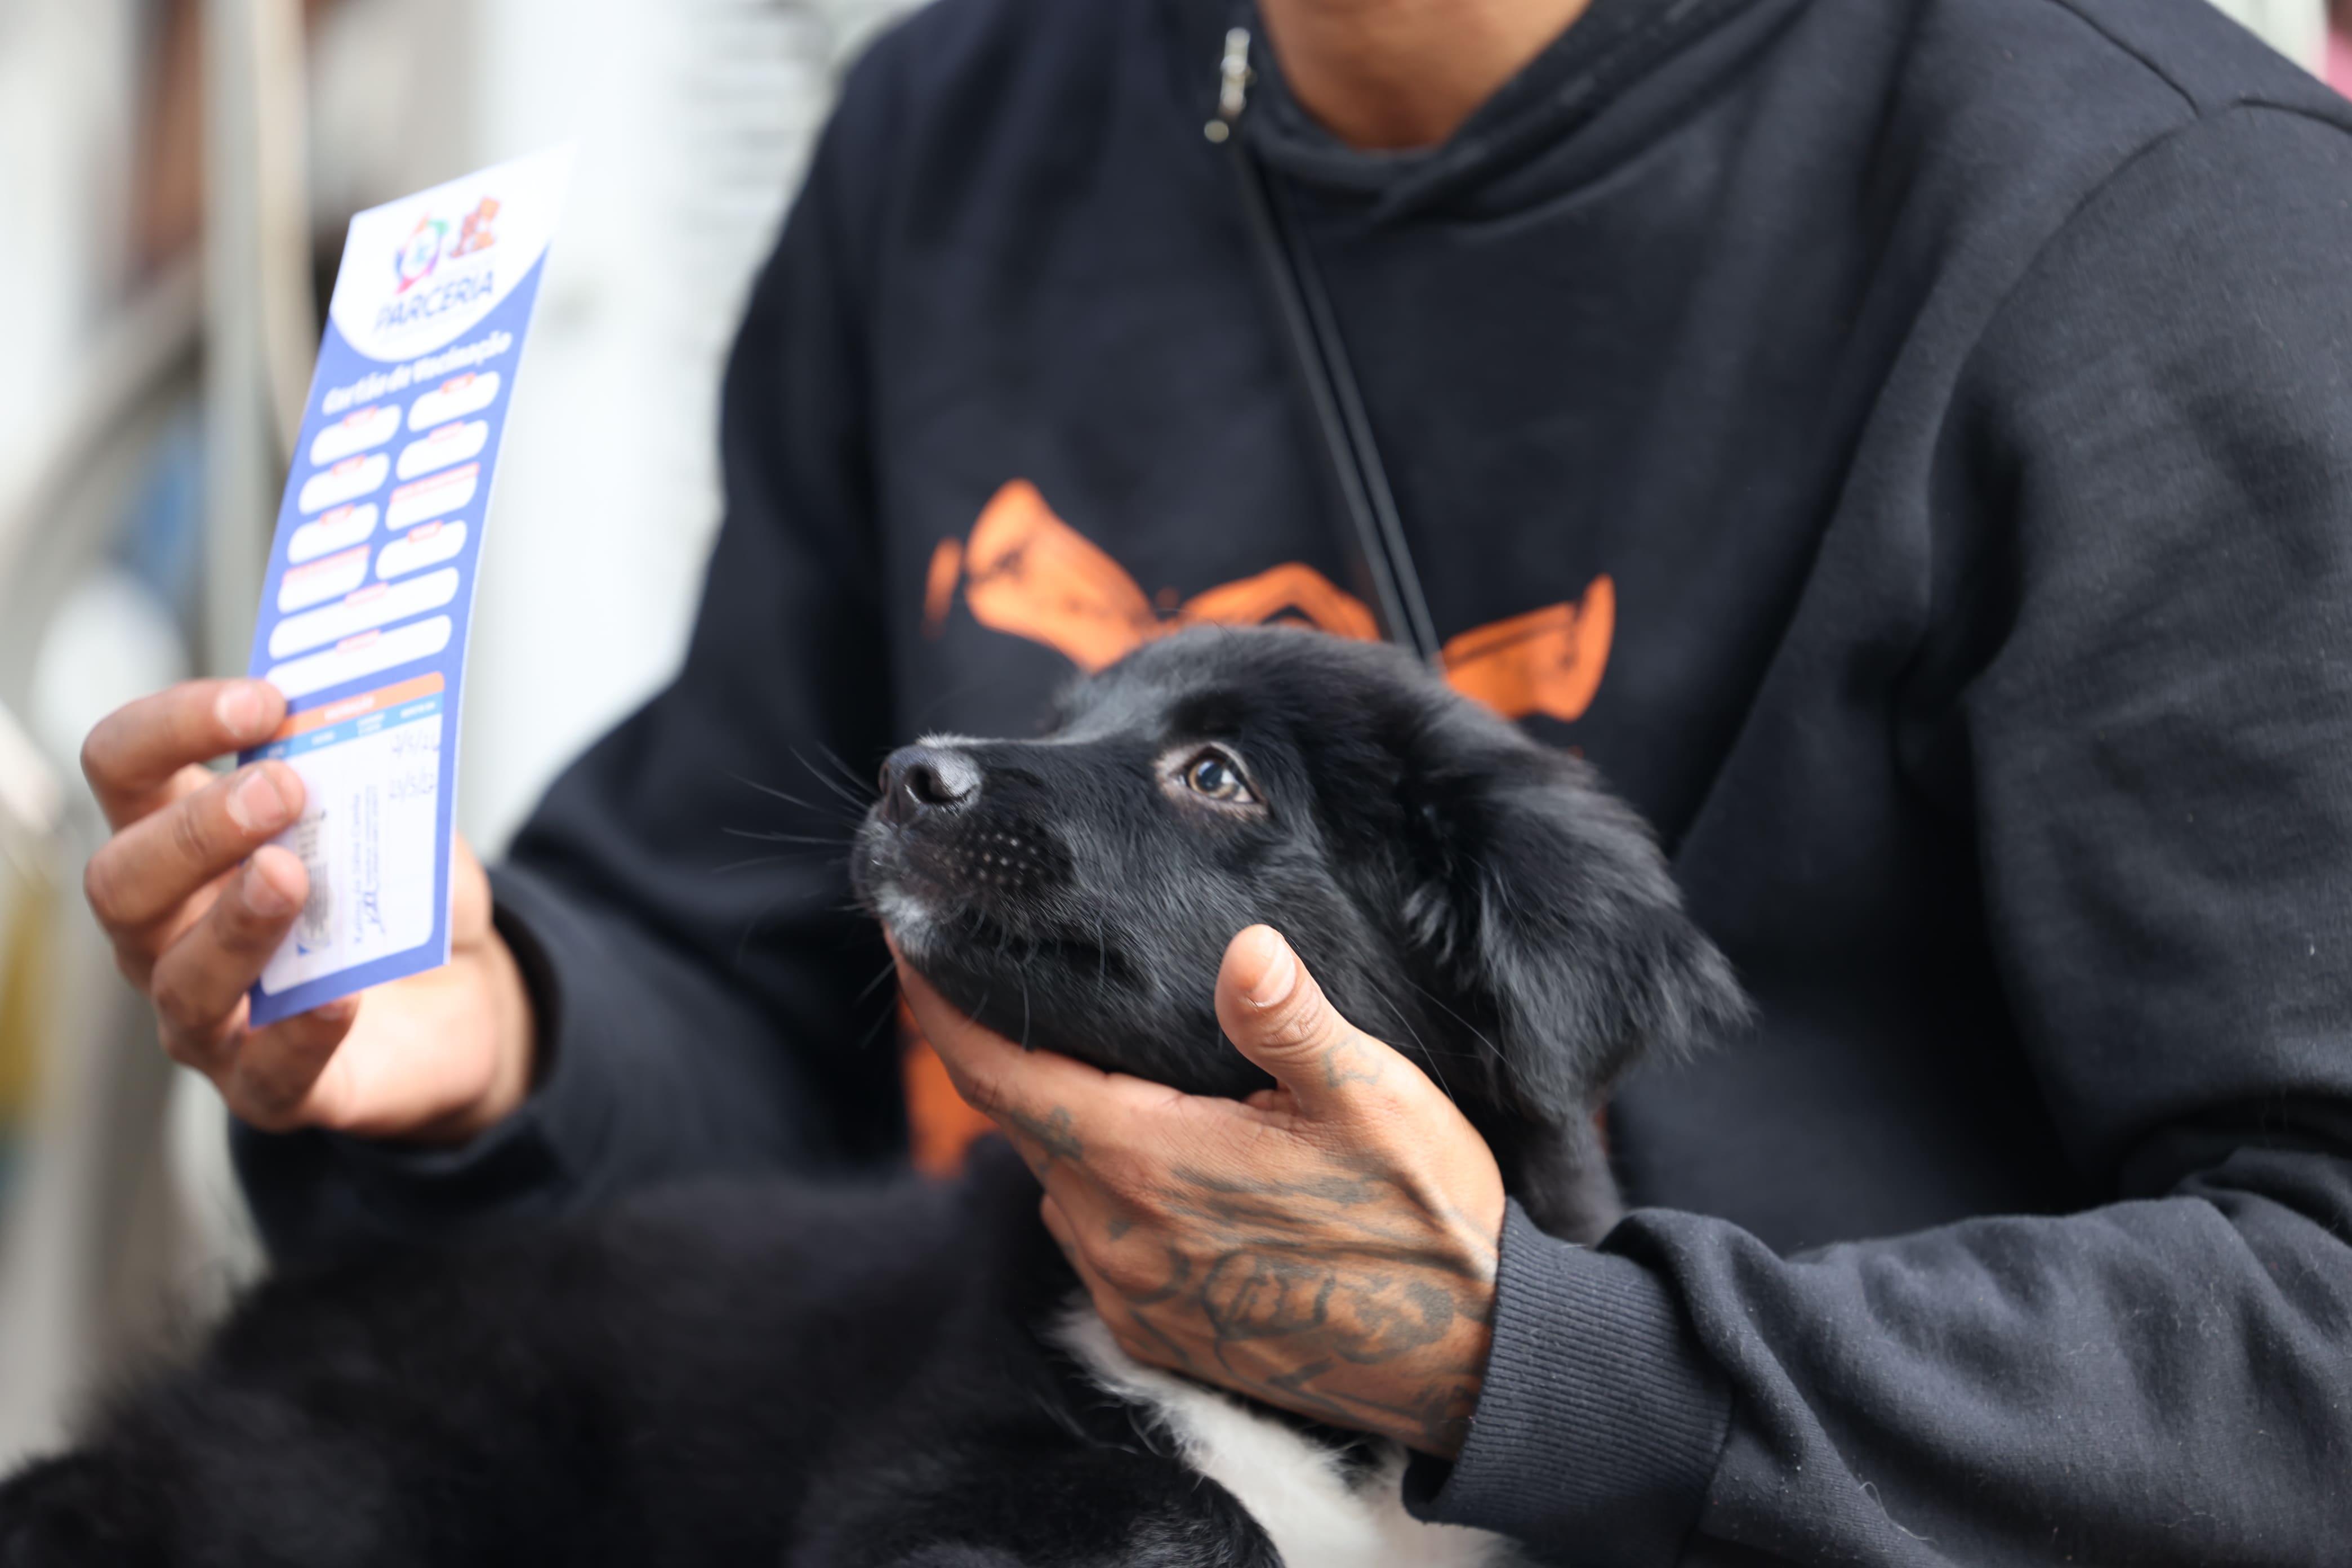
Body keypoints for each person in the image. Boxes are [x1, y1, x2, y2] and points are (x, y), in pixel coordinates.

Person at [75, 0, 2352, 1560]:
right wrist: (507, 1053)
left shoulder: (2159, 226)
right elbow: (748, 1007)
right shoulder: (958, 129)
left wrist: (1540, 1360)